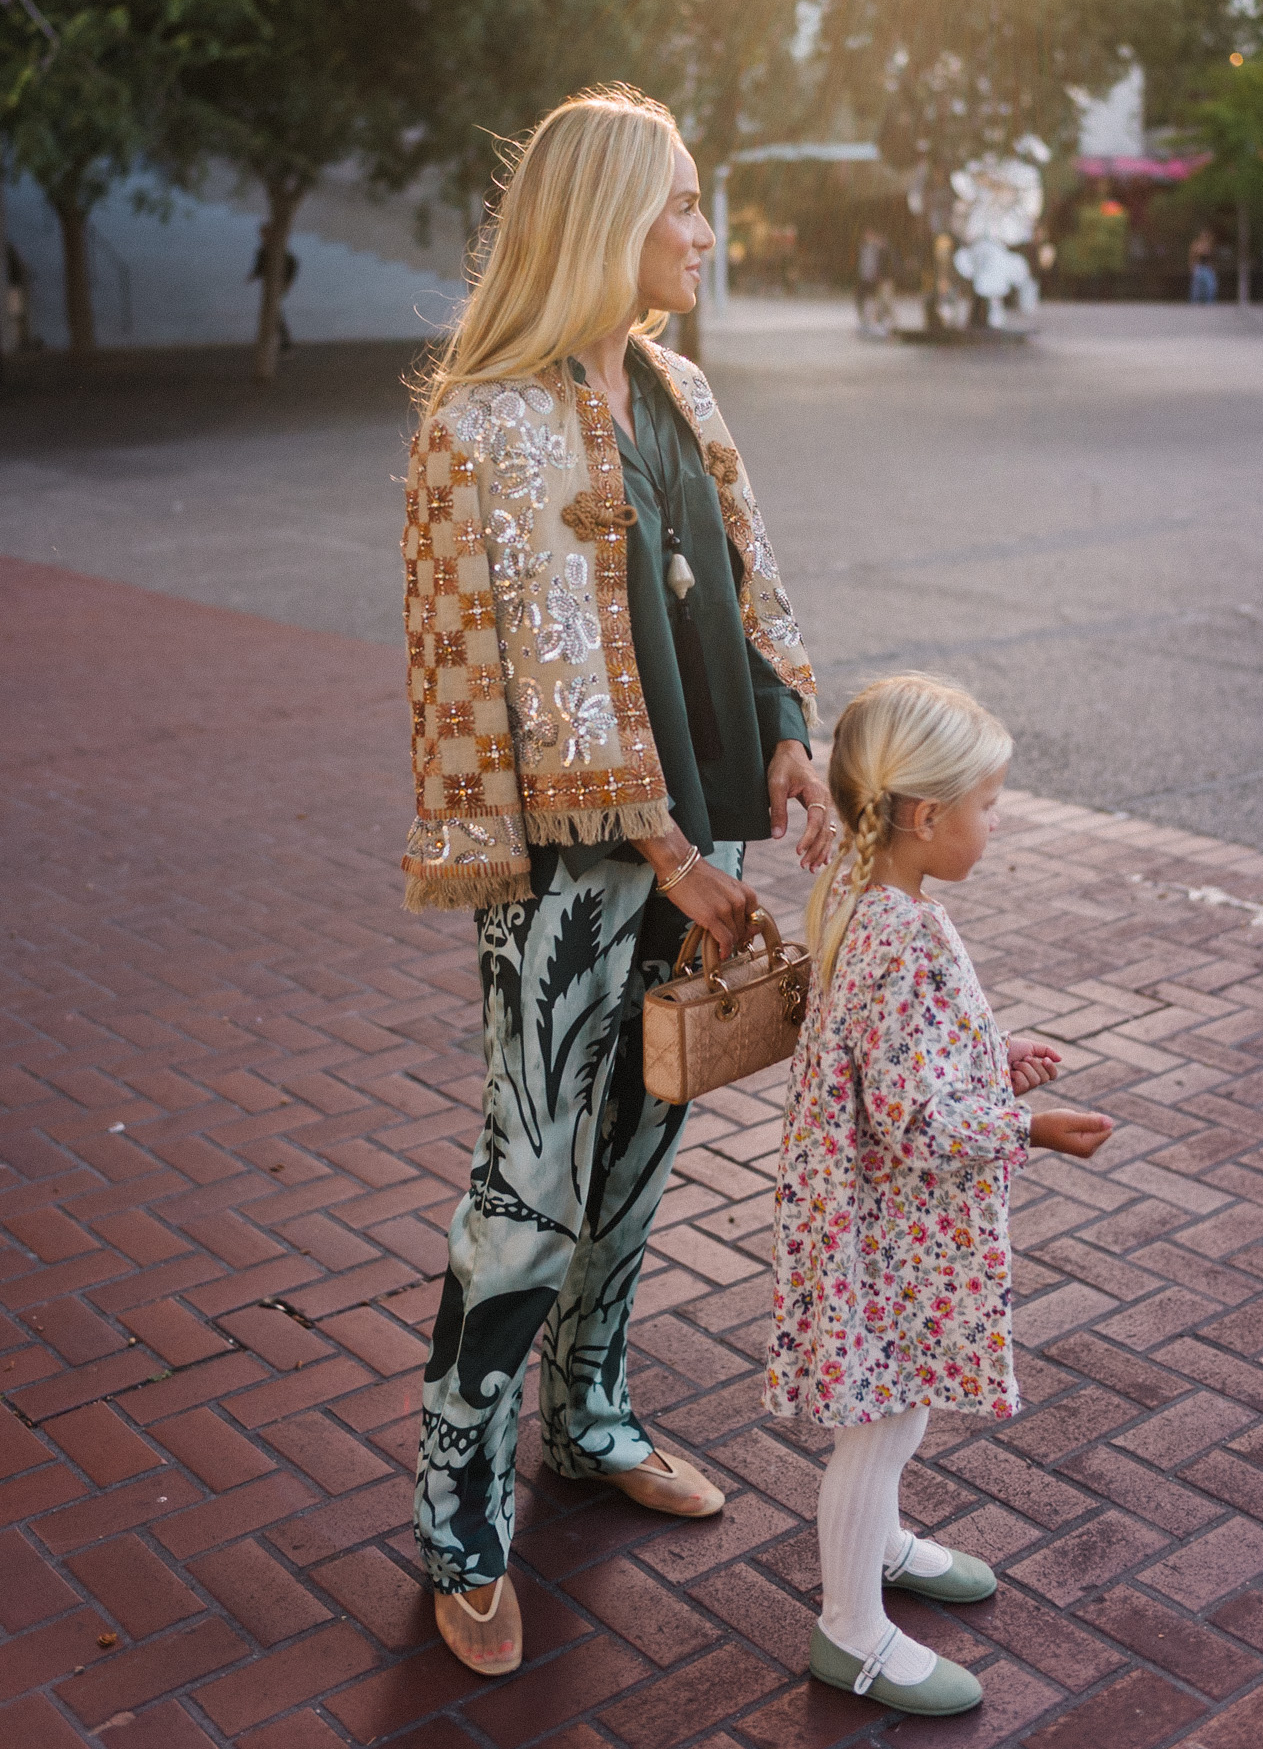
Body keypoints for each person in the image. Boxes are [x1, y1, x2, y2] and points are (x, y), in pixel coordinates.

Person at [402, 85, 833, 1675]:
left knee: (642, 1144)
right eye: (683, 209)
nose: (706, 235)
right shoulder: (483, 421)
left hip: (700, 843)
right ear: (603, 225)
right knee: (527, 1185)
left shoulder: (680, 394)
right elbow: (525, 676)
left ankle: (585, 1419)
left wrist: (784, 731)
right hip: (572, 869)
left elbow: (743, 579)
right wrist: (664, 850)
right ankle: (457, 1511)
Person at [765, 674, 1114, 1717]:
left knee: (894, 1414)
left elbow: (892, 1058)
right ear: (924, 816)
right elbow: (915, 1124)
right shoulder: (899, 932)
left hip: (873, 1212)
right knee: (881, 1417)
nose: (993, 824)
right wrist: (1030, 1128)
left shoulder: (867, 891)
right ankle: (851, 1630)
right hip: (886, 1225)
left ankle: (881, 1541)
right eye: (987, 805)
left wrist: (989, 1057)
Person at [248, 224, 299, 349]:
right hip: (269, 286)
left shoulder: (278, 251)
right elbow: (259, 268)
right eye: (262, 235)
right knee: (272, 312)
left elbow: (292, 264)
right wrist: (253, 276)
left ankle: (284, 344)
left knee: (274, 312)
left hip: (278, 286)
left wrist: (287, 283)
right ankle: (277, 342)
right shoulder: (263, 251)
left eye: (265, 234)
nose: (263, 237)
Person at [1189, 228, 1217, 304]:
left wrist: (1212, 268)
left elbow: (1211, 258)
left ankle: (1209, 302)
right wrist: (1192, 267)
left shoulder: (1208, 245)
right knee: (1196, 288)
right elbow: (1192, 256)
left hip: (1207, 268)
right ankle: (1194, 303)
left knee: (1211, 285)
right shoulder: (1196, 245)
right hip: (1199, 267)